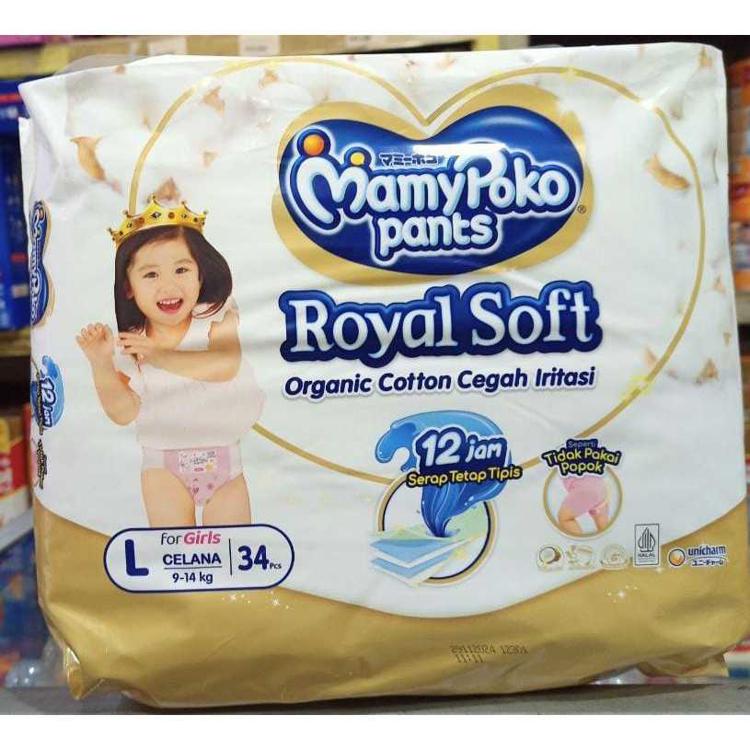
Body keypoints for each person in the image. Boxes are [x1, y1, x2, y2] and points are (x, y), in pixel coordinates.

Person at [77, 197, 264, 527]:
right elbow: (124, 413)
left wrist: (161, 356)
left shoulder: (213, 316)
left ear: (201, 275)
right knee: (173, 545)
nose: (169, 285)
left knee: (231, 545)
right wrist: (101, 364)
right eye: (151, 274)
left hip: (224, 459)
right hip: (164, 466)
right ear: (129, 288)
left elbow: (225, 365)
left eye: (181, 269)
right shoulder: (131, 341)